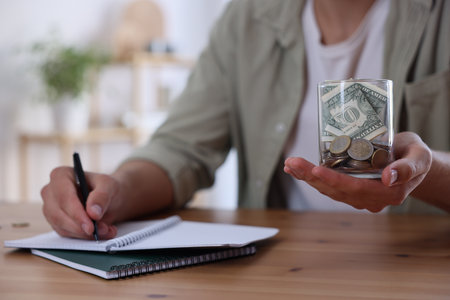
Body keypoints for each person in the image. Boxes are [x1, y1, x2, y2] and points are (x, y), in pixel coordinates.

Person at [41, 0, 450, 240]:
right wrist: (117, 190)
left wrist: (426, 172)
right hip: (281, 270)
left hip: (422, 268)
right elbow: (181, 148)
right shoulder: (246, 18)